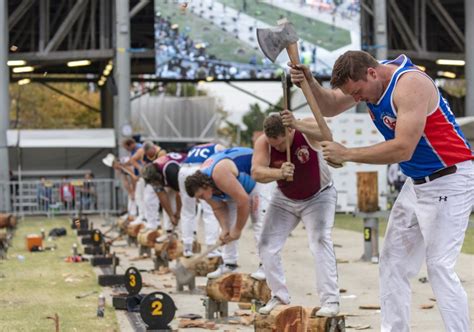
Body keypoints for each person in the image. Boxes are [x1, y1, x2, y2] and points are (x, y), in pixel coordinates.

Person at [290, 50, 474, 331]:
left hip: (450, 178)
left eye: (358, 92)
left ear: (372, 73)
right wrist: (310, 82)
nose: (357, 100)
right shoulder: (366, 82)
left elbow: (404, 147)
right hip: (417, 182)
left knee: (438, 265)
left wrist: (348, 153)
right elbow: (327, 107)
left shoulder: (410, 85)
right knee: (392, 262)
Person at [252, 112, 340, 316]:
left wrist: (297, 124)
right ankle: (279, 296)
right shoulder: (263, 143)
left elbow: (327, 134)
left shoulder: (304, 128)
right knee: (266, 244)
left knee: (319, 241)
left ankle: (330, 301)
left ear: (290, 131)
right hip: (285, 199)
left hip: (319, 196)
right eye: (275, 146)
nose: (278, 149)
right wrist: (278, 173)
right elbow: (257, 172)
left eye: (282, 144)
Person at [184, 147, 267, 280]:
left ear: (205, 185)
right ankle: (229, 264)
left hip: (257, 181)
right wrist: (226, 229)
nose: (202, 199)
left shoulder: (219, 174)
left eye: (201, 195)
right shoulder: (207, 191)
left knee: (259, 223)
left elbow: (243, 201)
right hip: (236, 187)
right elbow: (219, 209)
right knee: (227, 230)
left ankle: (266, 266)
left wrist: (238, 230)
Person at [178, 143, 225, 258]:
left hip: (183, 170)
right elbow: (224, 162)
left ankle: (187, 247)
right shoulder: (218, 146)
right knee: (210, 211)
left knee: (187, 211)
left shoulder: (195, 148)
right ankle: (211, 248)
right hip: (200, 169)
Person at [125, 141, 167, 228]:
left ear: (153, 149)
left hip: (158, 178)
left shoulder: (161, 153)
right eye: (146, 154)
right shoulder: (142, 152)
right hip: (149, 178)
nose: (148, 155)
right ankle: (150, 220)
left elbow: (163, 168)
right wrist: (141, 168)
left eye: (149, 154)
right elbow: (134, 160)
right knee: (147, 199)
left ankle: (156, 220)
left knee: (154, 200)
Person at [141, 152, 186, 232]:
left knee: (186, 206)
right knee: (169, 202)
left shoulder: (171, 171)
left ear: (158, 176)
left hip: (184, 172)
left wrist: (178, 213)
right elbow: (162, 196)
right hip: (170, 175)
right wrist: (171, 215)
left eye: (155, 182)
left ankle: (185, 232)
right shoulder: (152, 172)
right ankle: (170, 230)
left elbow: (180, 195)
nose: (155, 185)